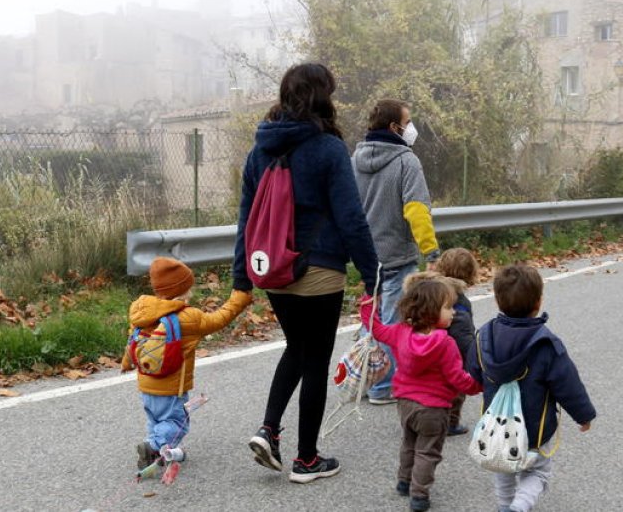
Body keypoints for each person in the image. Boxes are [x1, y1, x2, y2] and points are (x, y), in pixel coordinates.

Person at [233, 62, 380, 484]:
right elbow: (351, 218)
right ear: (321, 97)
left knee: (295, 348)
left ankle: (268, 430)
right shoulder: (329, 148)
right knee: (314, 360)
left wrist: (241, 277)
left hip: (273, 270)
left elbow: (246, 219)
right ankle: (307, 460)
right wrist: (373, 275)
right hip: (320, 269)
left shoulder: (259, 149)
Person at [465, 265, 596, 512]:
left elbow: (473, 370)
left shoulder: (484, 337)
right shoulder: (546, 343)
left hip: (498, 427)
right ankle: (520, 506)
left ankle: (505, 507)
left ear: (497, 300)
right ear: (538, 302)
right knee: (538, 473)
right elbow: (567, 384)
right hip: (536, 430)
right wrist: (584, 415)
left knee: (502, 465)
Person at [359, 272, 482, 512]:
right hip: (434, 409)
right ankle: (419, 494)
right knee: (428, 452)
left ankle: (404, 481)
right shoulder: (445, 344)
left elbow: (376, 328)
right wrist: (479, 385)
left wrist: (368, 299)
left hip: (405, 404)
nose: (454, 312)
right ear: (432, 311)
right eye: (448, 307)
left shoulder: (400, 332)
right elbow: (457, 378)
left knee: (409, 443)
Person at [122, 257, 252, 472]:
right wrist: (240, 298)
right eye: (189, 288)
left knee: (155, 419)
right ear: (183, 290)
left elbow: (133, 339)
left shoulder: (142, 311)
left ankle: (155, 450)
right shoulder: (188, 317)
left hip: (146, 382)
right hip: (172, 387)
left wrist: (127, 362)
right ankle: (153, 446)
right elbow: (219, 319)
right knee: (176, 422)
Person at [352, 98, 440, 405]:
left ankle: (362, 379)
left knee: (370, 320)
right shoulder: (406, 161)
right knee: (391, 323)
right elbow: (416, 211)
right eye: (408, 121)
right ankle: (382, 387)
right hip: (396, 255)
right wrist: (431, 253)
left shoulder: (355, 158)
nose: (411, 128)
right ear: (394, 127)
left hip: (364, 257)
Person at [430, 248, 479, 435]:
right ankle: (450, 424)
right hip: (451, 355)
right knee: (455, 391)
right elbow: (463, 335)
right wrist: (473, 360)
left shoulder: (429, 289)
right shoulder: (460, 302)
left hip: (426, 349)